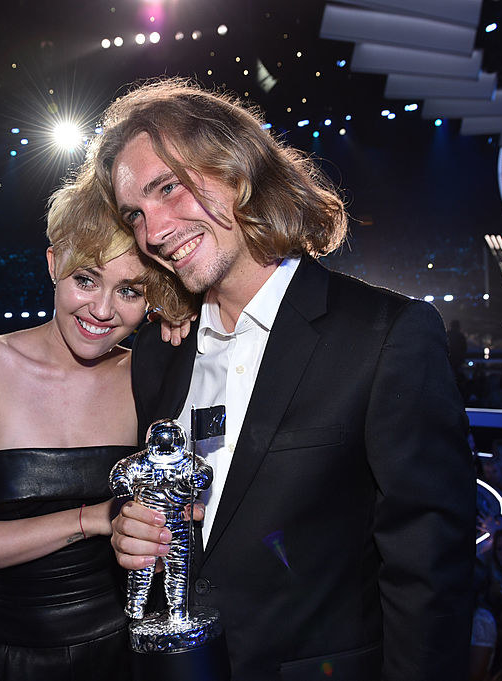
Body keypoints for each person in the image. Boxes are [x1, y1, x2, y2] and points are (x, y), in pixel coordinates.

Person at [92, 78, 476, 680]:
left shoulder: (385, 334)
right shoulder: (162, 353)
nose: (155, 231)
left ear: (238, 170)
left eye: (168, 188)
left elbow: (430, 571)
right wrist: (133, 530)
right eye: (135, 214)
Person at [0, 174, 193, 680]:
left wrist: (189, 315)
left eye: (129, 290)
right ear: (53, 265)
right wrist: (90, 519)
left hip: (129, 655)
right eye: (86, 279)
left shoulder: (150, 372)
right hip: (13, 657)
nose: (102, 311)